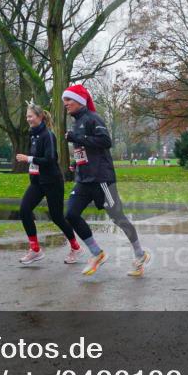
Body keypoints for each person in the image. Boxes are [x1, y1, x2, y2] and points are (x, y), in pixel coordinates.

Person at [61, 84, 151, 278]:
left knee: (118, 218)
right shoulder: (76, 123)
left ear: (79, 100)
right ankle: (97, 253)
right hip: (84, 180)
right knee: (71, 214)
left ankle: (140, 254)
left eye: (68, 100)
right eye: (64, 101)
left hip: (102, 179)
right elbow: (84, 150)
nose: (65, 104)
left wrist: (77, 137)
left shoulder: (94, 118)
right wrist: (76, 164)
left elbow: (105, 142)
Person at [16, 103, 82, 265]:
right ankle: (35, 250)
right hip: (37, 182)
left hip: (52, 182)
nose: (28, 119)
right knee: (24, 210)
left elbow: (51, 158)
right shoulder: (33, 135)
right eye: (27, 117)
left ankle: (76, 247)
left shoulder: (48, 135)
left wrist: (29, 159)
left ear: (39, 117)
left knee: (57, 217)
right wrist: (31, 163)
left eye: (30, 116)